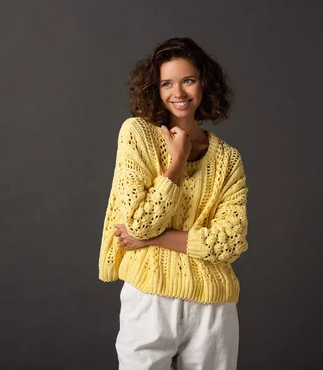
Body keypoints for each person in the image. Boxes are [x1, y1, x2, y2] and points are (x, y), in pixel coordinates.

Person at [98, 37, 249, 370]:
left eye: (188, 80)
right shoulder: (136, 134)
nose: (178, 93)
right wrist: (176, 163)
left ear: (204, 84)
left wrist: (155, 240)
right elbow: (138, 222)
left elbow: (230, 243)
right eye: (167, 83)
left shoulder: (227, 159)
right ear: (156, 89)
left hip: (213, 302)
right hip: (150, 295)